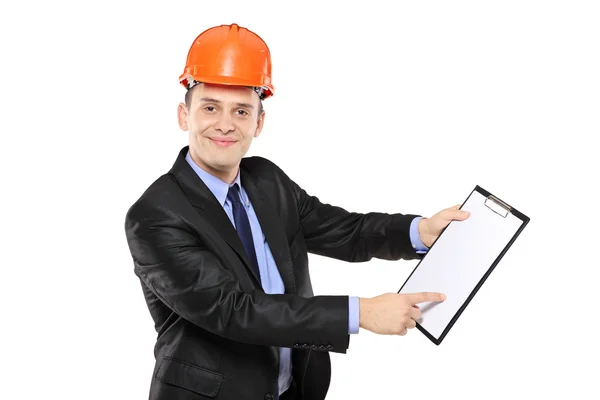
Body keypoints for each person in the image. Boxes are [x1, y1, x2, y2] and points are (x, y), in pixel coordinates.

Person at [124, 23, 470, 400]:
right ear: (183, 116)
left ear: (258, 122)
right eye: (210, 107)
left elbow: (345, 231)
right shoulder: (155, 215)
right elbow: (234, 311)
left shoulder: (267, 181)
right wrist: (361, 313)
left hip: (293, 388)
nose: (225, 124)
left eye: (241, 111)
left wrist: (419, 232)